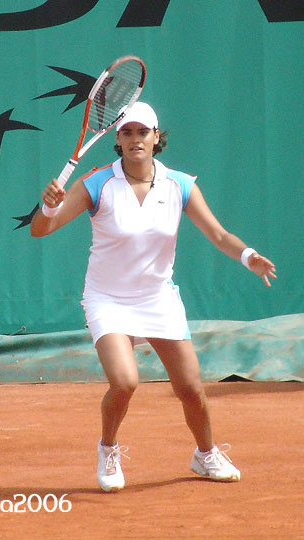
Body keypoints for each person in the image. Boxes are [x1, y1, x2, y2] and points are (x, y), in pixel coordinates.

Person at [30, 102, 277, 492]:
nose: (135, 140)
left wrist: (248, 256)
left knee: (191, 389)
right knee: (125, 382)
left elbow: (218, 234)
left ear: (157, 137)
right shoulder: (97, 183)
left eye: (143, 132)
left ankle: (205, 453)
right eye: (127, 133)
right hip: (107, 299)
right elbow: (41, 230)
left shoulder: (180, 184)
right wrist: (48, 206)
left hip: (158, 298)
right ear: (117, 139)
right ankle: (108, 447)